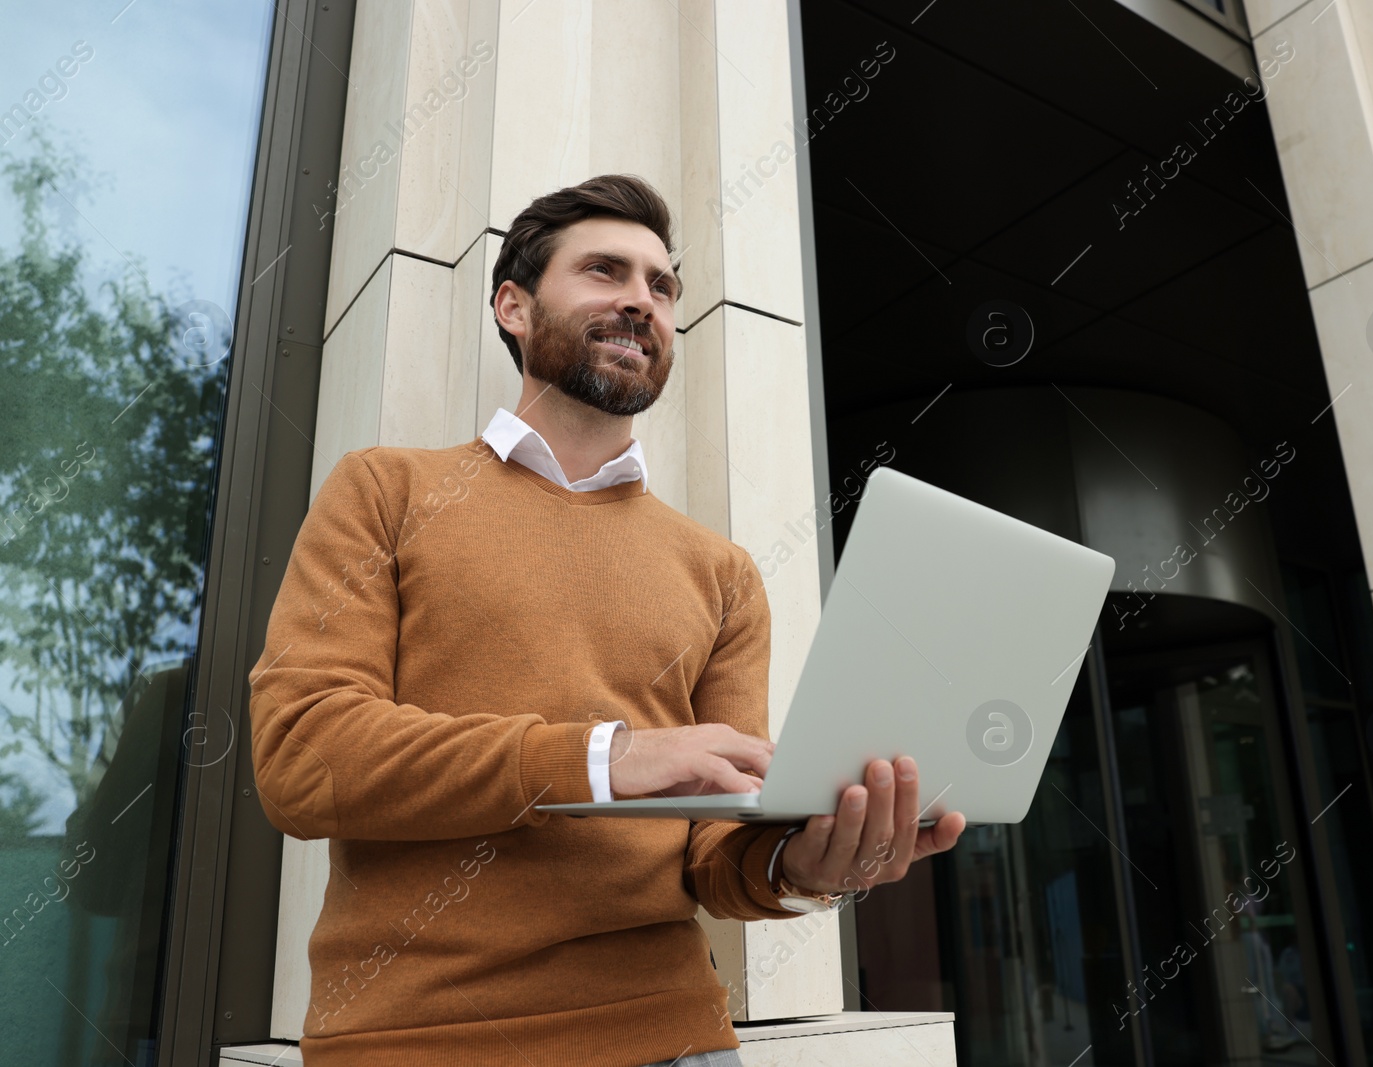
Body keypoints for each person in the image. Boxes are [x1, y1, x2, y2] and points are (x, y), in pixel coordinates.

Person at [247, 173, 965, 1067]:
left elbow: (716, 851)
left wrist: (800, 868)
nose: (642, 301)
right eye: (605, 271)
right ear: (513, 305)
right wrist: (603, 757)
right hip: (419, 1040)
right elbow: (304, 756)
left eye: (662, 287)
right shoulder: (385, 490)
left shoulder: (725, 574)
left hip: (677, 1039)